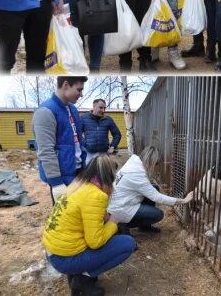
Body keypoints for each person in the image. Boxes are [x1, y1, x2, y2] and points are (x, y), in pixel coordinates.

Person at [42, 155, 137, 296]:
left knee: (108, 234)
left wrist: (104, 218)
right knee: (128, 244)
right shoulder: (97, 195)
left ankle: (76, 275)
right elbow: (95, 242)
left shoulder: (77, 185)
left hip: (55, 250)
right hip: (65, 258)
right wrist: (113, 223)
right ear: (109, 176)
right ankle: (83, 279)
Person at [107, 146, 189, 234]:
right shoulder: (136, 173)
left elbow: (148, 189)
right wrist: (183, 200)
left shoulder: (133, 163)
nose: (156, 167)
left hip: (118, 203)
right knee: (158, 215)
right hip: (120, 209)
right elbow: (157, 197)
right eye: (156, 164)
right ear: (151, 162)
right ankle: (120, 224)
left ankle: (144, 227)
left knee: (154, 188)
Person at [34, 76, 88, 204]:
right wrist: (57, 184)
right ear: (65, 85)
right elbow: (46, 151)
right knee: (63, 219)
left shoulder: (73, 109)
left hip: (77, 172)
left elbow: (77, 141)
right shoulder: (46, 111)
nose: (81, 94)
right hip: (61, 177)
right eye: (79, 90)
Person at [81, 99, 121, 165]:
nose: (103, 110)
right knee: (90, 174)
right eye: (101, 108)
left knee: (103, 174)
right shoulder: (84, 118)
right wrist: (84, 145)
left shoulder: (108, 120)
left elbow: (117, 135)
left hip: (104, 154)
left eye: (104, 108)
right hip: (89, 155)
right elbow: (78, 134)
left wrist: (112, 146)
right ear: (94, 107)